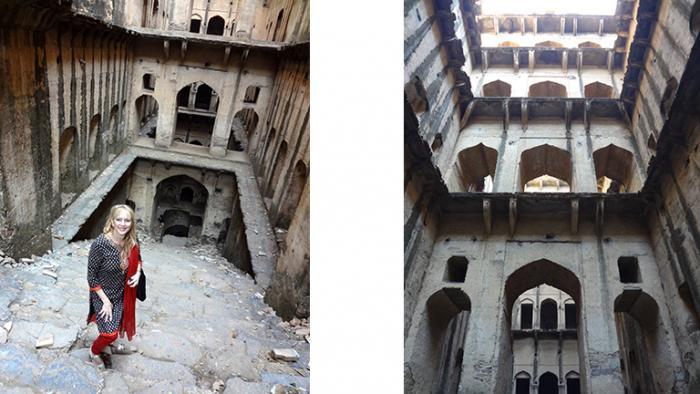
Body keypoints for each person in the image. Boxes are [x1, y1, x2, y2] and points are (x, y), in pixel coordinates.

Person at [86, 204, 143, 368]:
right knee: (110, 333)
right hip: (102, 294)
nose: (123, 224)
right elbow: (91, 277)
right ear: (112, 221)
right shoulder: (100, 244)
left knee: (117, 324)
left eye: (127, 220)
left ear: (132, 223)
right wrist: (105, 301)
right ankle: (94, 351)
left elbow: (138, 258)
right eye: (119, 219)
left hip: (123, 293)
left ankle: (108, 347)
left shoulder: (132, 240)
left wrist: (137, 273)